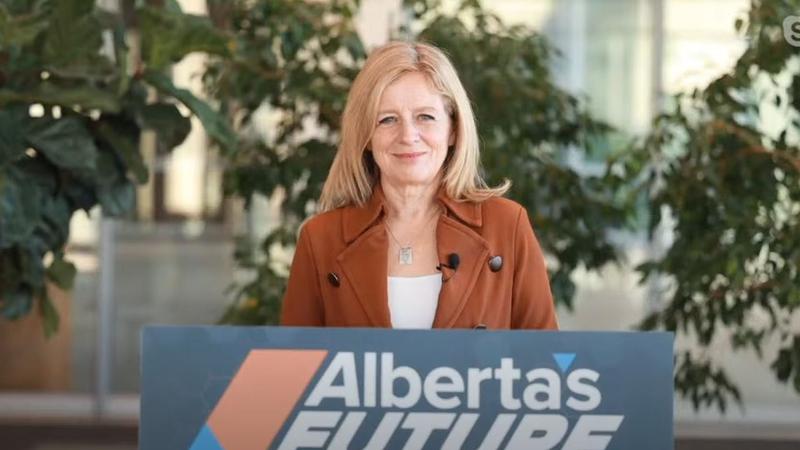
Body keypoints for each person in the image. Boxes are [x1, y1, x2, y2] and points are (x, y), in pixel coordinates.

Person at [279, 41, 558, 330]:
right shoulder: (320, 239)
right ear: (366, 136)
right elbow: (297, 358)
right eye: (387, 120)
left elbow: (543, 355)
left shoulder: (507, 226)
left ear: (453, 129)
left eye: (425, 117)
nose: (408, 135)